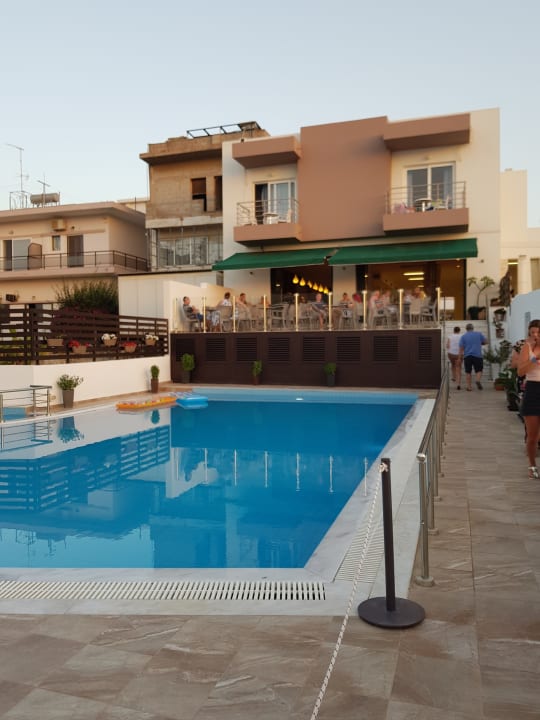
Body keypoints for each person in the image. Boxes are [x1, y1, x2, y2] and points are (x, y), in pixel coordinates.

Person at [517, 319, 540, 479]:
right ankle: (532, 466)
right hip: (532, 389)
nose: (535, 335)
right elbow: (521, 371)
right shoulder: (527, 347)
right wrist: (535, 358)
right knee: (532, 436)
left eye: (538, 332)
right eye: (532, 332)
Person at [459, 323, 487, 391]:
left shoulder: (463, 336)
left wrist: (460, 357)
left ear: (466, 329)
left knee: (468, 372)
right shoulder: (479, 334)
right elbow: (486, 341)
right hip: (477, 355)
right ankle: (477, 380)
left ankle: (469, 387)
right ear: (473, 328)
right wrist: (481, 343)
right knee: (479, 370)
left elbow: (461, 348)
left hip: (467, 356)